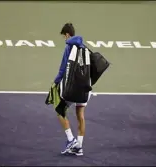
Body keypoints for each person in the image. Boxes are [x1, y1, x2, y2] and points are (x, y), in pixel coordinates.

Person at [54, 23, 91, 156]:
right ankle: (79, 147)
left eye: (65, 37)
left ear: (67, 35)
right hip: (86, 86)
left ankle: (71, 140)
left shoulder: (69, 46)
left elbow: (63, 68)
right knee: (80, 115)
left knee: (59, 110)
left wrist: (55, 83)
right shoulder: (84, 48)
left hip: (72, 87)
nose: (65, 39)